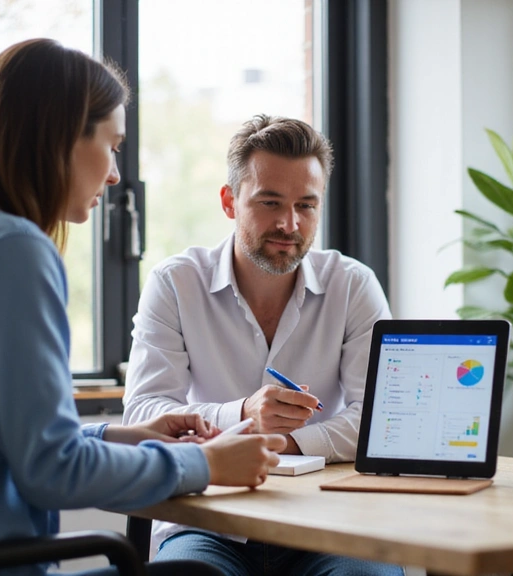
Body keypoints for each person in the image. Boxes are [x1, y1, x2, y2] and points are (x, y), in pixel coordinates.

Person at [0, 39, 286, 576]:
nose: (114, 174)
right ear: (59, 139)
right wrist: (205, 462)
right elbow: (52, 471)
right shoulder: (7, 250)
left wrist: (119, 435)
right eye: (112, 145)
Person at [123, 114, 402, 575]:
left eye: (306, 205)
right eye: (270, 202)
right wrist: (240, 414)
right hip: (208, 524)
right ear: (229, 201)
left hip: (330, 523)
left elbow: (381, 419)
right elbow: (142, 413)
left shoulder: (353, 286)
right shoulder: (175, 283)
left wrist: (281, 442)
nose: (289, 223)